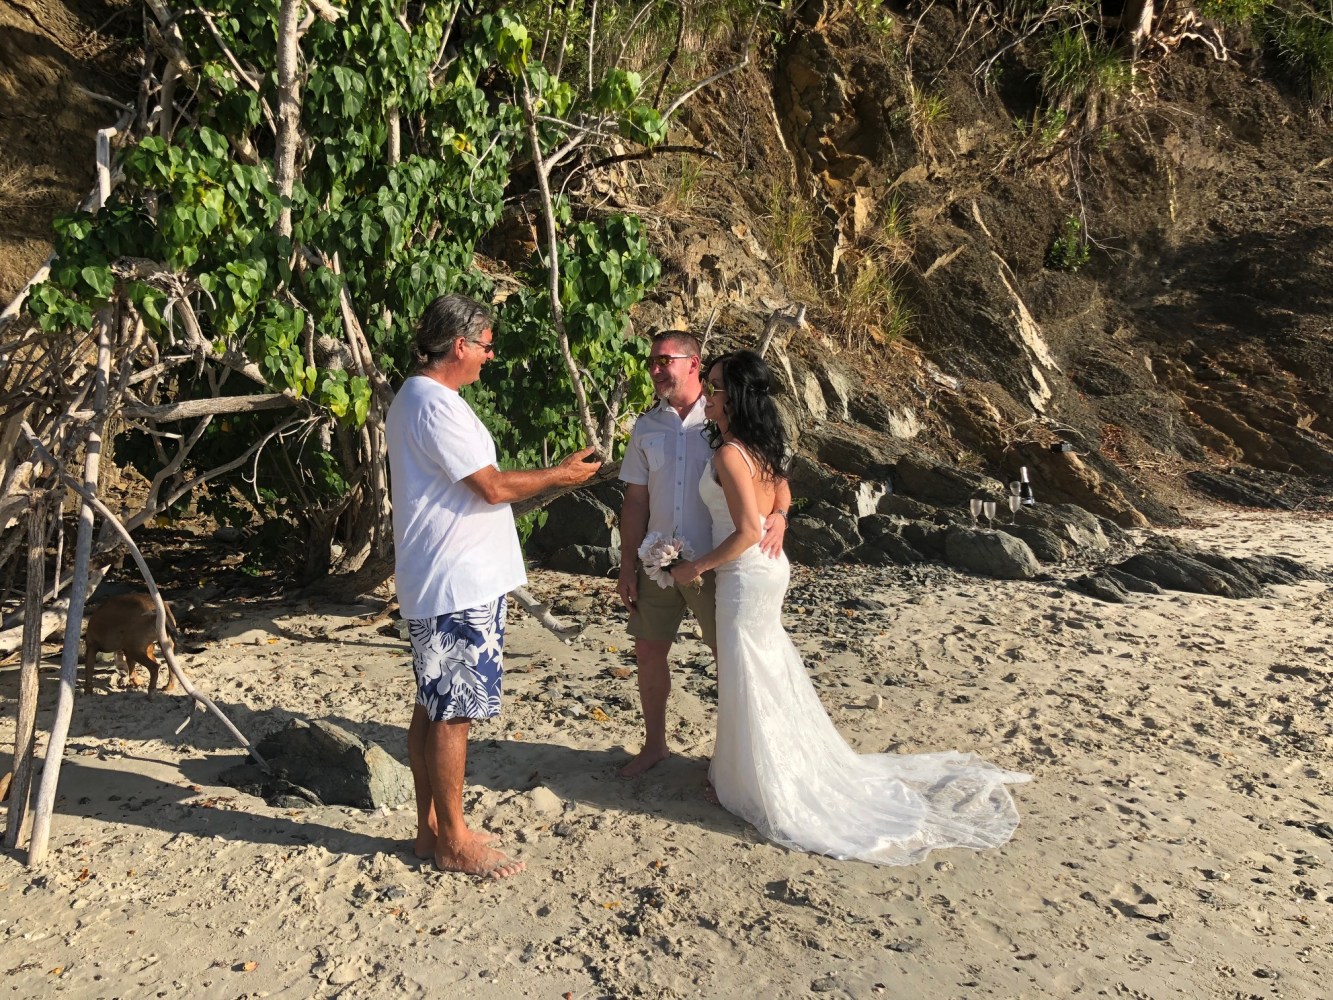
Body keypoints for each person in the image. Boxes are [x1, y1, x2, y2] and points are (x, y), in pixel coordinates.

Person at [669, 350, 1030, 865]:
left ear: (738, 396)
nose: (709, 393)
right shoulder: (755, 448)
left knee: (748, 672)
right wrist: (784, 517)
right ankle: (741, 771)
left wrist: (694, 568)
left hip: (747, 574)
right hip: (768, 570)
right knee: (763, 669)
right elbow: (781, 492)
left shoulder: (731, 454)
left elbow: (748, 530)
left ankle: (756, 782)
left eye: (718, 386)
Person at [386, 294, 601, 878]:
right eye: (484, 345)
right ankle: (452, 837)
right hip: (457, 581)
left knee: (433, 708)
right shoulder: (435, 406)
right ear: (460, 345)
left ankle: (431, 831)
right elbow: (492, 487)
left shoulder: (420, 399)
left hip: (445, 577)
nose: (489, 355)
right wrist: (562, 474)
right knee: (452, 713)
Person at [616, 332, 790, 778]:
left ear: (693, 364)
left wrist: (782, 516)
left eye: (663, 360)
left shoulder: (721, 420)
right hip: (657, 562)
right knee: (648, 652)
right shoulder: (645, 427)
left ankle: (733, 762)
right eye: (651, 361)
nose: (654, 369)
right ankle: (655, 744)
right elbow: (635, 501)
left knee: (728, 659)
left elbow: (773, 471)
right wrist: (627, 567)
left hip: (716, 564)